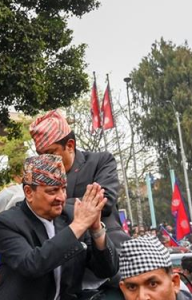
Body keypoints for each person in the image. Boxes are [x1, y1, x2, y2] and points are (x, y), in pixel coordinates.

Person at [0, 155, 119, 300]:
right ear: (29, 193)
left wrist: (96, 229)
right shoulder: (6, 223)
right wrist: (78, 226)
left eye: (63, 189)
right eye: (53, 191)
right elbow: (32, 265)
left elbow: (107, 270)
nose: (61, 197)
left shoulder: (71, 216)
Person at [30, 110, 130, 286]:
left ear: (69, 145)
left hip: (110, 255)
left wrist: (51, 203)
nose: (45, 160)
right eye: (40, 155)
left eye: (50, 153)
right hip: (66, 263)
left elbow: (103, 203)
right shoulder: (37, 179)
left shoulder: (100, 161)